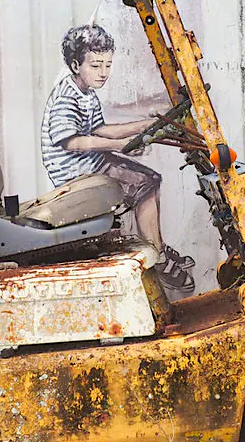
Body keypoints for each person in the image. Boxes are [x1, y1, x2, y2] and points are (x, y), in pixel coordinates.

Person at [40, 24, 196, 295]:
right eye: (96, 65)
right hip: (76, 173)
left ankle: (155, 243)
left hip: (91, 163)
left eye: (108, 65)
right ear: (76, 64)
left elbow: (99, 130)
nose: (103, 73)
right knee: (142, 184)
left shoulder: (86, 92)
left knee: (151, 179)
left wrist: (144, 125)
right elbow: (72, 141)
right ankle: (157, 257)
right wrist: (119, 146)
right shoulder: (66, 96)